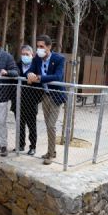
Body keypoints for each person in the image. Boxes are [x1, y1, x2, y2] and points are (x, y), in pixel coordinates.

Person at [28, 34, 66, 165]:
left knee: (51, 125)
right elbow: (31, 71)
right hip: (44, 96)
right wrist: (30, 74)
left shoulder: (59, 59)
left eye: (41, 47)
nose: (39, 49)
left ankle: (51, 154)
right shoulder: (37, 59)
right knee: (47, 125)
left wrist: (38, 78)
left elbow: (58, 76)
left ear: (49, 47)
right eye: (37, 46)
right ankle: (51, 151)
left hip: (56, 96)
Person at [12, 45, 41, 155]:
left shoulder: (37, 66)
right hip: (18, 101)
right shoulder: (17, 65)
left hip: (31, 101)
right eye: (23, 54)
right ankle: (20, 145)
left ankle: (32, 147)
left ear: (32, 55)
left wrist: (36, 100)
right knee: (19, 125)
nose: (24, 56)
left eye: (27, 54)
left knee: (31, 126)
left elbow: (40, 84)